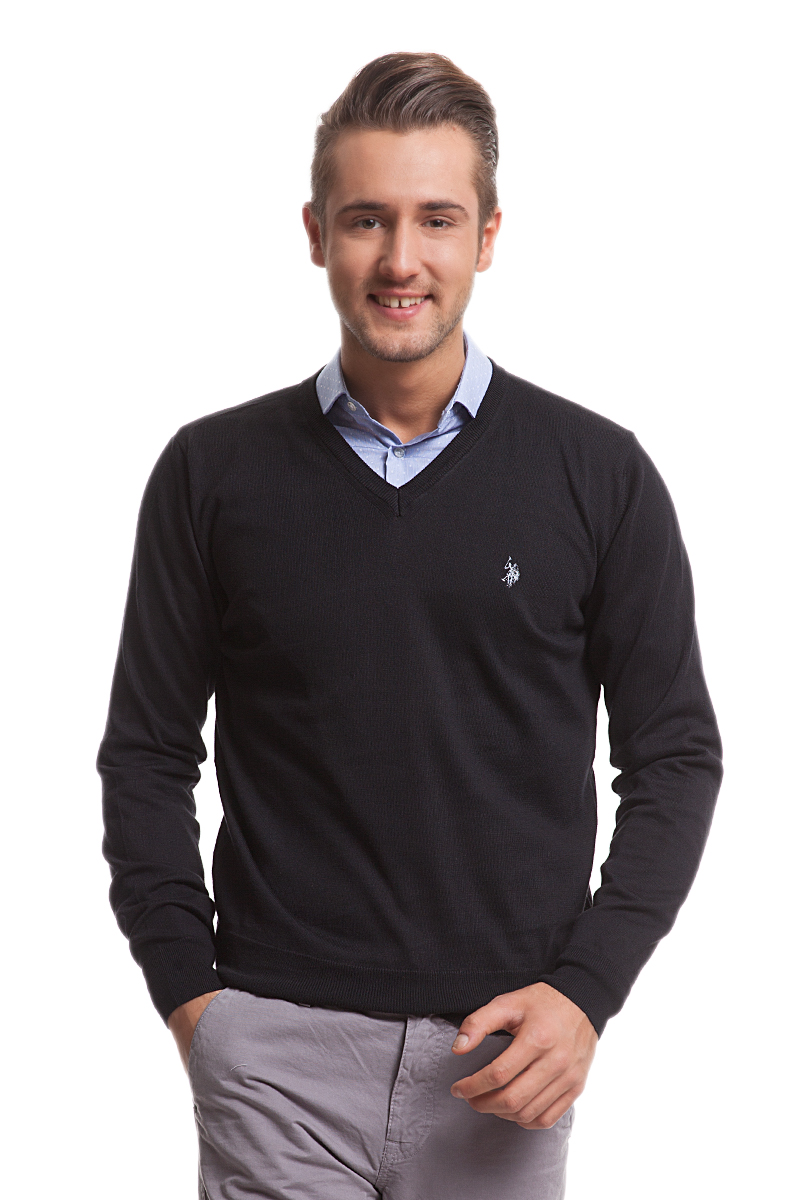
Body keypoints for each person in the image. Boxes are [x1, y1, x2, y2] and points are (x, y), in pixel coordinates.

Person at [98, 52, 723, 1200]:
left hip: (502, 1057)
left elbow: (674, 757)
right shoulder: (211, 473)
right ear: (315, 234)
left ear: (486, 237)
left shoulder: (597, 475)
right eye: (365, 220)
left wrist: (584, 993)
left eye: (436, 219)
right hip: (274, 1055)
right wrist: (193, 999)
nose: (400, 259)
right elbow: (145, 752)